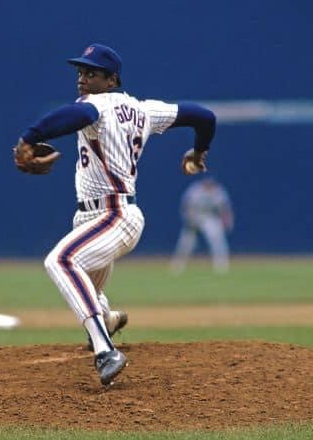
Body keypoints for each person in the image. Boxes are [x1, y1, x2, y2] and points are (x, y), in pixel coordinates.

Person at [13, 43, 216, 386]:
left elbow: (74, 117)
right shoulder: (144, 110)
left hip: (114, 216)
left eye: (91, 73)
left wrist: (29, 138)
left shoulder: (97, 104)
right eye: (80, 71)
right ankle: (105, 319)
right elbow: (204, 117)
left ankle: (105, 351)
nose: (82, 78)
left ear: (112, 79)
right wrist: (198, 152)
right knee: (87, 291)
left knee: (60, 261)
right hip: (95, 220)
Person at [170, 177, 234, 273]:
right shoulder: (195, 190)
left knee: (216, 238)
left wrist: (227, 220)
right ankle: (178, 265)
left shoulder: (218, 191)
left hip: (209, 217)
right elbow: (186, 205)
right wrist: (189, 219)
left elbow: (224, 208)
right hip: (195, 216)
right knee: (186, 243)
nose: (208, 186)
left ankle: (221, 264)